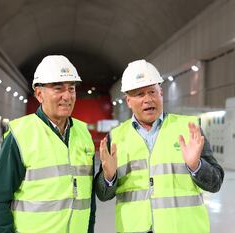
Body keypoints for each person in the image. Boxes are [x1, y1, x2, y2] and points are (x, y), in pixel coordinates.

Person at [95, 60, 224, 233]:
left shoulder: (188, 129)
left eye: (152, 92)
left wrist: (196, 166)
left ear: (161, 93)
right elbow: (103, 195)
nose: (148, 99)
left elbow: (215, 183)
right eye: (140, 94)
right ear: (128, 101)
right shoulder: (116, 138)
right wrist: (108, 177)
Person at [0, 55, 96, 233]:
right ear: (39, 94)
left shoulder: (83, 134)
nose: (67, 96)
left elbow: (88, 199)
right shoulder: (20, 134)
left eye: (72, 88)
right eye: (58, 88)